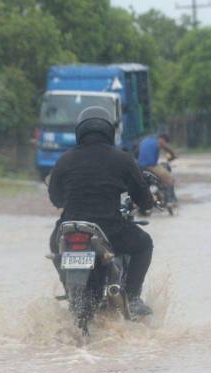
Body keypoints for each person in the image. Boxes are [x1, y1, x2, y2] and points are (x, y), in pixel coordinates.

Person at [48, 106, 154, 316]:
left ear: (80, 131)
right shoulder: (123, 159)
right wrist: (147, 202)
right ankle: (132, 297)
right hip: (110, 230)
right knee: (144, 244)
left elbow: (55, 198)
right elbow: (144, 199)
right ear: (109, 131)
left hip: (70, 228)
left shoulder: (64, 160)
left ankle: (69, 289)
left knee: (55, 246)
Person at [137, 133, 178, 206]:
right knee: (170, 180)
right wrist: (174, 155)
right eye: (166, 142)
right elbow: (169, 150)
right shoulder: (159, 141)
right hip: (151, 166)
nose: (165, 143)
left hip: (139, 166)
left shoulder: (145, 140)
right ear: (163, 139)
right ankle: (170, 200)